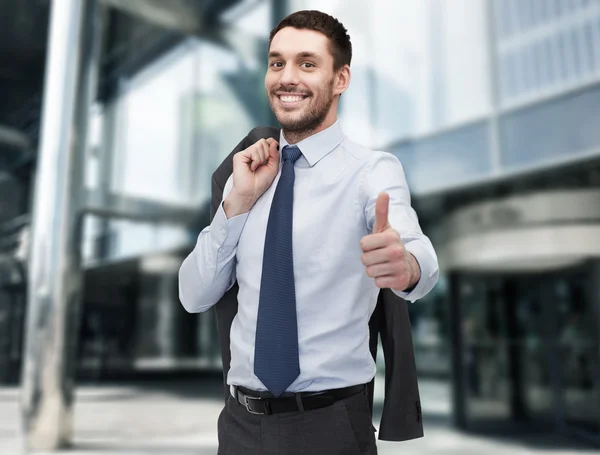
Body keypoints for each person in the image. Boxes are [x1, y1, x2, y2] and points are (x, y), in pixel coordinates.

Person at [179, 10, 439, 454]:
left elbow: (418, 254)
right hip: (240, 427)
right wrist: (236, 204)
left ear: (341, 79)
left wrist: (406, 266)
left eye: (307, 63)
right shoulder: (245, 174)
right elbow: (193, 295)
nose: (287, 77)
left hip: (330, 428)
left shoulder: (370, 171)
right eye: (277, 62)